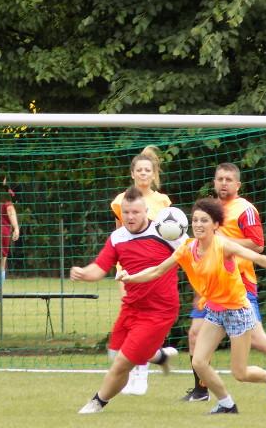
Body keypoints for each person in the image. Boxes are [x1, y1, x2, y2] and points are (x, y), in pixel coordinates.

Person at [118, 197, 266, 414]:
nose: (198, 224)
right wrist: (130, 278)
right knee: (199, 362)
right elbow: (156, 270)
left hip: (237, 312)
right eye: (195, 220)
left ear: (216, 224)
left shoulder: (223, 246)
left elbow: (259, 258)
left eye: (204, 220)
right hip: (214, 311)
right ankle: (227, 404)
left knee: (240, 373)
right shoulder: (187, 248)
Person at [180, 163, 266, 403]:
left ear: (238, 184)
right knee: (194, 334)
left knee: (258, 340)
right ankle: (201, 390)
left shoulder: (245, 209)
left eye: (228, 179)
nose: (223, 183)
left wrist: (223, 241)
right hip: (213, 286)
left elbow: (258, 245)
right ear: (214, 182)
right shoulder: (209, 211)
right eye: (220, 179)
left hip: (239, 283)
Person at [71, 186, 182, 414]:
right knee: (116, 358)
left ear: (146, 211)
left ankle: (97, 402)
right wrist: (83, 273)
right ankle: (160, 356)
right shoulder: (117, 237)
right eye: (126, 212)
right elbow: (99, 269)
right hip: (131, 308)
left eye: (135, 212)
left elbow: (196, 255)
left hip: (159, 312)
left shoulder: (167, 233)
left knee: (122, 363)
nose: (130, 217)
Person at [110, 146, 172, 395]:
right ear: (132, 173)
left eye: (148, 170)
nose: (143, 174)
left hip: (154, 269)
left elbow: (169, 237)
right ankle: (133, 373)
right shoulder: (121, 201)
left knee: (145, 323)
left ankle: (142, 376)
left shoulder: (163, 202)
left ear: (153, 173)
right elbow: (118, 235)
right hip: (127, 268)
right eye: (139, 170)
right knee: (130, 320)